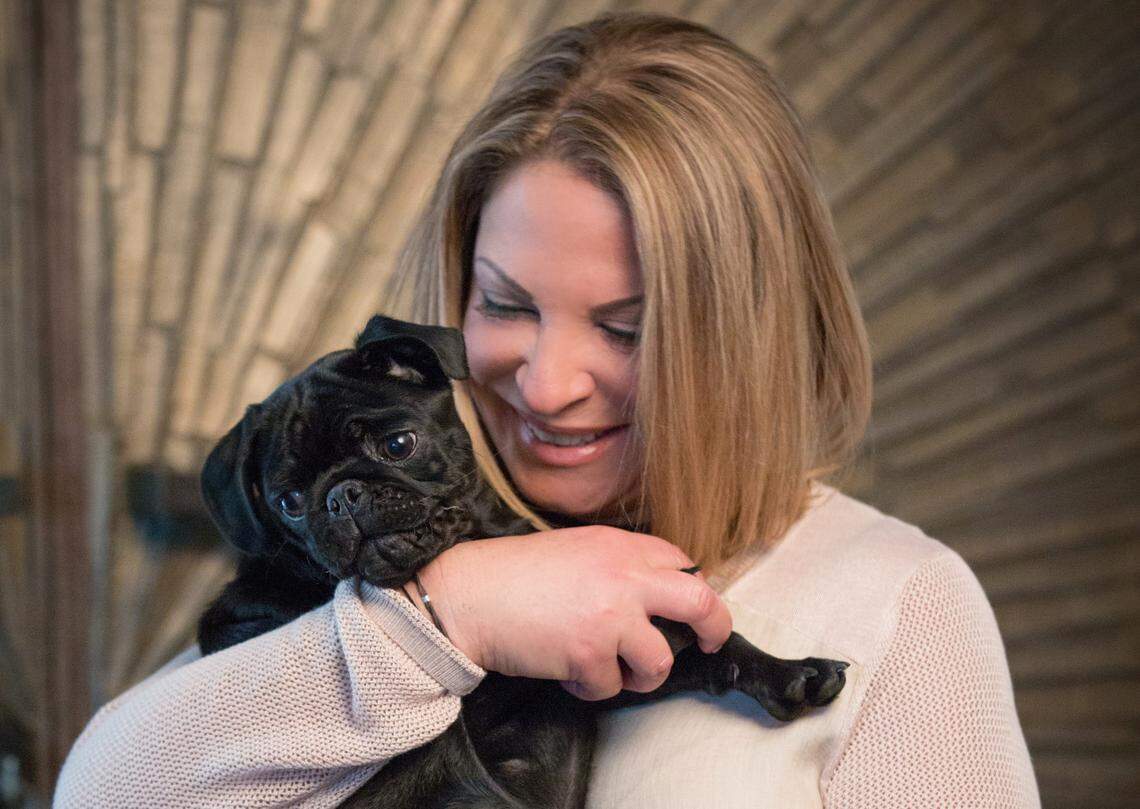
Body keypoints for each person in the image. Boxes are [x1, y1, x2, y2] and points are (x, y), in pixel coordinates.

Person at [54, 11, 1040, 807]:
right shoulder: (381, 567)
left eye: (626, 328)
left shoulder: (896, 602)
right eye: (506, 304)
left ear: (746, 335)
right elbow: (101, 792)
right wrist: (446, 618)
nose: (547, 383)